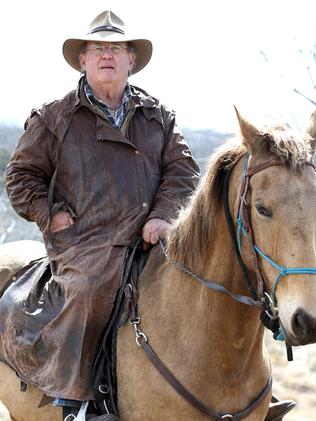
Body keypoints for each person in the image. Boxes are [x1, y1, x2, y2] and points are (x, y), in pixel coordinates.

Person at [3, 9, 199, 420]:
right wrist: (49, 214)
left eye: (116, 48)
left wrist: (164, 215)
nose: (106, 55)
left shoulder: (158, 116)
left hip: (151, 236)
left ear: (131, 59)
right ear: (83, 60)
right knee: (91, 289)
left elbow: (183, 171)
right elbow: (21, 176)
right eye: (97, 49)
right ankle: (78, 401)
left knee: (207, 286)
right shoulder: (53, 118)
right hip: (86, 244)